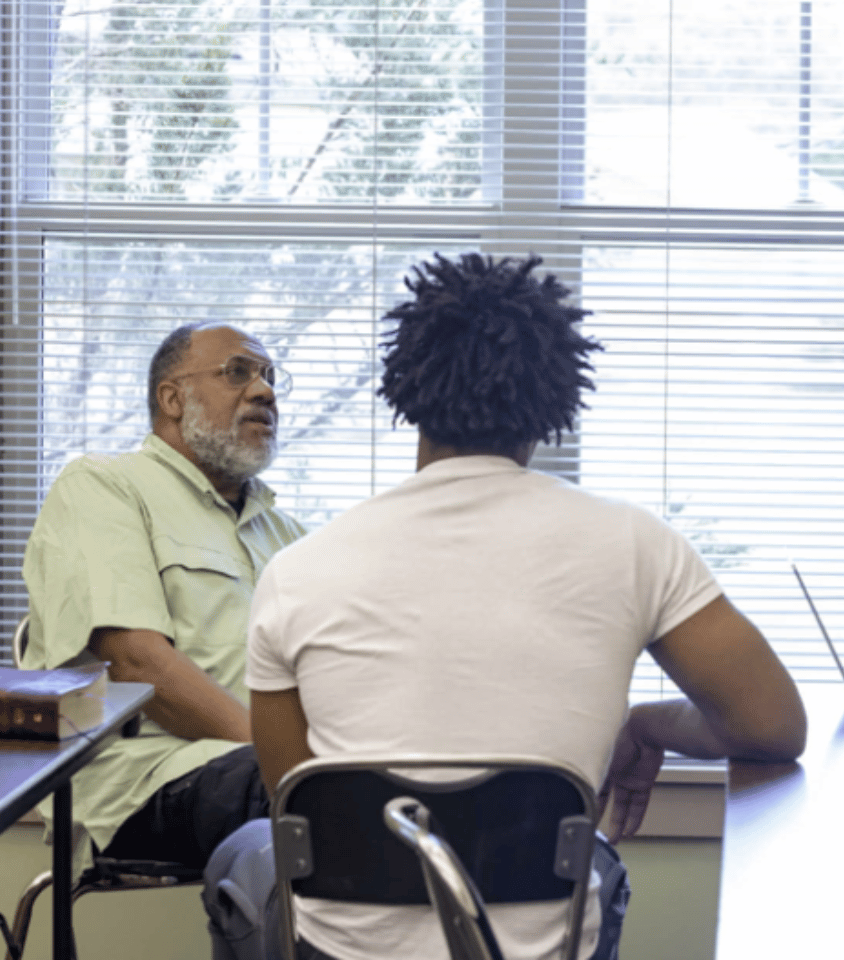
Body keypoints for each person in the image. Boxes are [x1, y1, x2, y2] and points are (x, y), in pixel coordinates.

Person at [206, 252, 807, 960]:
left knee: (239, 860)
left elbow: (295, 801)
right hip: (544, 952)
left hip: (343, 952)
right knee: (601, 870)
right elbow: (773, 725)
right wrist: (648, 724)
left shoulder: (297, 571)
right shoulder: (637, 545)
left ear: (407, 388)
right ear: (556, 401)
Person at [21, 321, 307, 877]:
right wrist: (292, 761)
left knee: (408, 786)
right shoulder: (104, 485)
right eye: (239, 372)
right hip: (150, 773)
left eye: (270, 377)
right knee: (329, 804)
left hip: (261, 766)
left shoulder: (288, 535)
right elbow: (134, 662)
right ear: (172, 398)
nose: (265, 391)